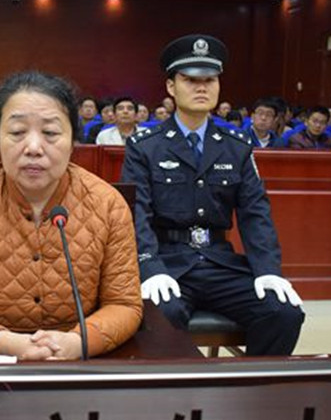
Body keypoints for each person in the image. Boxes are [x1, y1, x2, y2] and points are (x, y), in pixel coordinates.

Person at [0, 71, 142, 360]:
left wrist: (78, 342)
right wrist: (6, 343)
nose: (34, 148)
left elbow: (124, 304)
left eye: (50, 133)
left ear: (73, 141)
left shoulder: (108, 204)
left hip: (80, 358)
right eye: (17, 133)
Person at [120, 33, 304, 356]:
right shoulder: (145, 146)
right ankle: (178, 388)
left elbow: (255, 214)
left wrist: (268, 269)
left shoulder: (236, 146)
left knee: (283, 313)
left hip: (219, 262)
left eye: (210, 79)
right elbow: (136, 215)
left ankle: (253, 386)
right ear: (171, 86)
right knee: (160, 315)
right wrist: (149, 268)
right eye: (190, 80)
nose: (201, 87)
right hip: (170, 262)